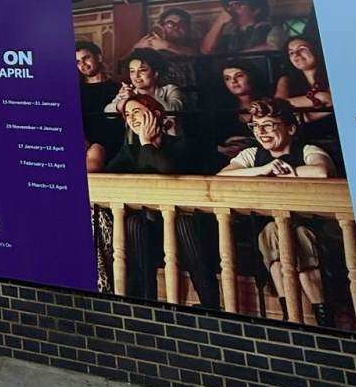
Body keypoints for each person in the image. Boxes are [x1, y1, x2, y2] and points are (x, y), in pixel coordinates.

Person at [219, 98, 334, 327]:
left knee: (293, 234)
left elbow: (321, 171)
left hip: (313, 229)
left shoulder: (307, 150)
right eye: (255, 126)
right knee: (273, 230)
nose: (261, 132)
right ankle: (289, 315)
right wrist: (263, 169)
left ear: (290, 128)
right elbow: (223, 175)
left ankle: (322, 316)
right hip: (272, 232)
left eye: (269, 125)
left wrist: (290, 171)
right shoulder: (252, 154)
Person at [104, 95, 221, 309]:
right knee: (133, 223)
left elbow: (168, 173)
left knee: (183, 223)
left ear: (156, 114)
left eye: (136, 112)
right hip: (152, 230)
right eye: (127, 115)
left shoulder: (183, 145)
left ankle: (210, 304)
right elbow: (108, 178)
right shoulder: (129, 151)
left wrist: (147, 143)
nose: (131, 118)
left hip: (189, 228)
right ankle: (145, 303)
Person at [275, 35, 338, 153]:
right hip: (300, 140)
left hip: (335, 135)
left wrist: (299, 115)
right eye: (291, 52)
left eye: (302, 49)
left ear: (316, 50)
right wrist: (318, 98)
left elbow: (331, 100)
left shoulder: (333, 73)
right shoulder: (286, 80)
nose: (296, 55)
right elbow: (276, 105)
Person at [75, 42, 122, 171]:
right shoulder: (74, 91)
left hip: (111, 142)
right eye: (78, 62)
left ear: (99, 57)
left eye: (86, 58)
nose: (83, 64)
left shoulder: (118, 88)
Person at [201, 0, 285, 56]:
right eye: (229, 6)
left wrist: (236, 56)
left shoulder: (274, 29)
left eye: (238, 5)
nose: (231, 10)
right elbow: (206, 51)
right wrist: (219, 22)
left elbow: (273, 46)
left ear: (256, 10)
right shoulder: (230, 36)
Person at [215, 61, 270, 161]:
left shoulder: (269, 106)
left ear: (252, 77)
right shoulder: (221, 109)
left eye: (239, 76)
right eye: (227, 78)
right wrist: (222, 149)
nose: (233, 81)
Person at [133, 6, 199, 58]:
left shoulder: (194, 45)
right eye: (170, 24)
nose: (176, 27)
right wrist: (135, 48)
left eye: (181, 24)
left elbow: (197, 55)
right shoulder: (151, 43)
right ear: (162, 27)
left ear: (187, 28)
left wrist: (168, 46)